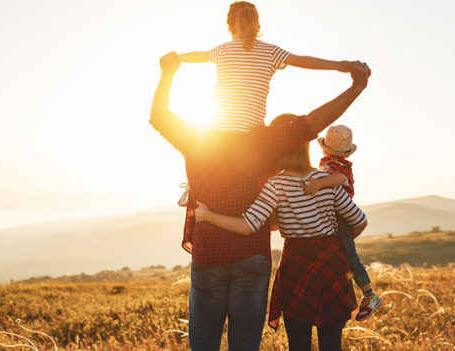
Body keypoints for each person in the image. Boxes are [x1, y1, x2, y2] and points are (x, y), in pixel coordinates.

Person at [150, 51, 370, 350]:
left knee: (203, 342)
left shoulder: (196, 136)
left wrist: (168, 72)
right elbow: (314, 122)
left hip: (210, 253)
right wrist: (355, 87)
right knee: (245, 344)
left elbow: (159, 116)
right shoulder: (266, 142)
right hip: (254, 256)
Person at [193, 119, 368, 350]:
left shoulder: (277, 184)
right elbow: (360, 221)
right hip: (332, 265)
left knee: (298, 344)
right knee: (332, 344)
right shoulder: (327, 181)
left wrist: (206, 216)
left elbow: (248, 225)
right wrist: (333, 244)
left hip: (297, 265)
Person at [178, 1, 356, 132]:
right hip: (251, 132)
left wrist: (177, 58)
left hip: (216, 130)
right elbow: (302, 61)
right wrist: (339, 65)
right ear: (257, 25)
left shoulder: (223, 50)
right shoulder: (271, 52)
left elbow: (198, 56)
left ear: (229, 26)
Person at [303, 124, 382, 321]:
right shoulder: (334, 163)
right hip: (338, 215)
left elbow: (338, 179)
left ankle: (369, 294)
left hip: (340, 216)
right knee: (343, 254)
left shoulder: (335, 167)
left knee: (349, 256)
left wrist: (319, 183)